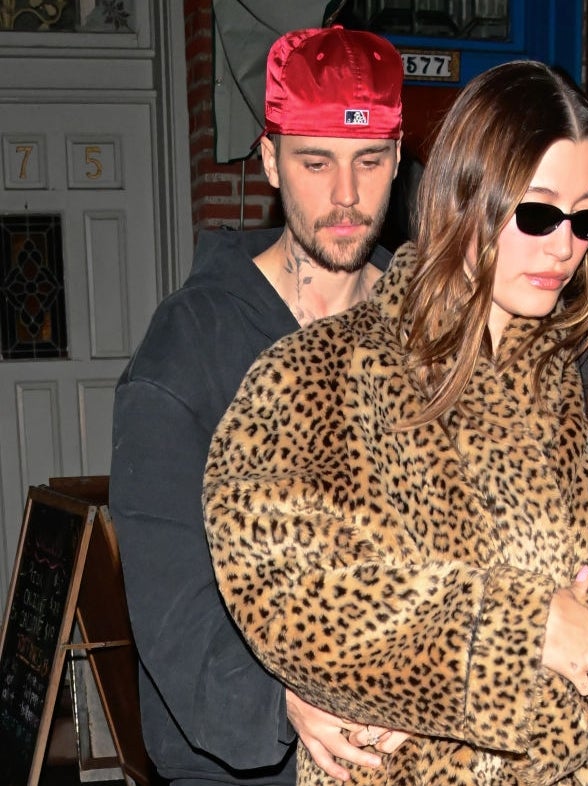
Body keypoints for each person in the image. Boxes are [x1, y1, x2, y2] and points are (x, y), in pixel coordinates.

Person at [203, 61, 588, 785]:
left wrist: (520, 739)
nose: (565, 245)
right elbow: (297, 600)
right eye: (537, 213)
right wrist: (524, 626)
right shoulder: (317, 376)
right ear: (465, 198)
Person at [110, 26, 409, 786]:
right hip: (249, 769)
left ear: (398, 160)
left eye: (369, 160)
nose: (346, 195)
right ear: (271, 160)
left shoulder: (429, 333)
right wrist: (279, 703)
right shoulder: (191, 345)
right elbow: (172, 604)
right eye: (317, 162)